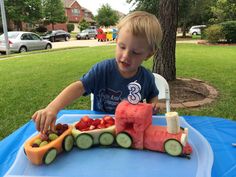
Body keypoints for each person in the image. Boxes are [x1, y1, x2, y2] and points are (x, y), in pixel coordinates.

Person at [32, 11, 163, 133]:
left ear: (148, 54)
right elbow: (79, 87)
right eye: (122, 47)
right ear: (116, 41)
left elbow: (153, 96)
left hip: (131, 129)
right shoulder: (102, 70)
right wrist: (53, 108)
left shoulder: (147, 78)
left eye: (135, 52)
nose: (125, 56)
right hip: (100, 128)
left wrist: (153, 105)